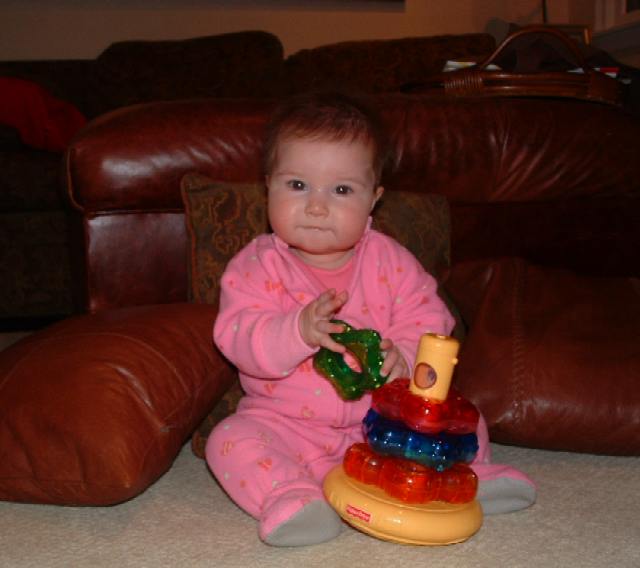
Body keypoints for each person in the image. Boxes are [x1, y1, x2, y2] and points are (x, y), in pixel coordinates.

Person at [206, 92, 535, 547]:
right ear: (268, 188)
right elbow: (236, 335)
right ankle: (291, 496)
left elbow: (430, 316)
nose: (316, 206)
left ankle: (472, 475)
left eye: (341, 190)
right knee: (229, 438)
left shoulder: (391, 261)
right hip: (287, 424)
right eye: (297, 185)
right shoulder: (256, 266)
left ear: (373, 200)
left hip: (384, 423)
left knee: (459, 414)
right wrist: (295, 331)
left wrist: (405, 355)